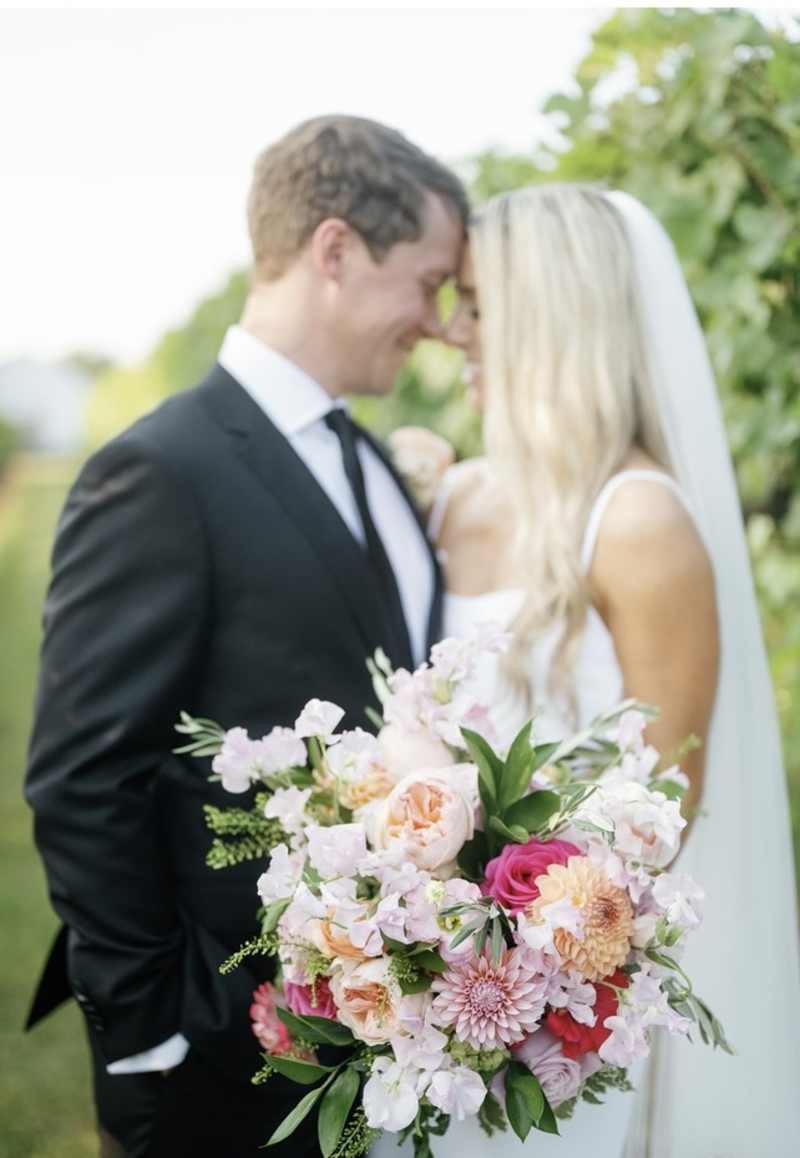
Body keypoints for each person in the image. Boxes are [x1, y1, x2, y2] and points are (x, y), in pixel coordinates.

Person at [24, 114, 466, 1158]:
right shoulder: (160, 472)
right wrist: (154, 1036)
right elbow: (84, 779)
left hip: (374, 1047)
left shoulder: (370, 459)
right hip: (217, 1060)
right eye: (427, 282)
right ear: (334, 250)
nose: (438, 322)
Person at [383, 184, 800, 1157]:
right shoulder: (451, 499)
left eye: (478, 306)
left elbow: (659, 821)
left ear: (551, 319)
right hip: (416, 1011)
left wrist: (483, 931)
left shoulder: (638, 521)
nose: (452, 331)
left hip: (551, 1027)